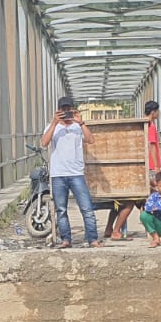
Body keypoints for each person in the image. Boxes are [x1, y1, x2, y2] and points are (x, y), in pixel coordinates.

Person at [42, 96, 100, 249]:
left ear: (73, 109)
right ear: (58, 110)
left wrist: (80, 122)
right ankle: (66, 239)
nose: (66, 112)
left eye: (69, 109)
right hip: (58, 174)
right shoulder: (52, 127)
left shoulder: (77, 127)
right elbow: (44, 143)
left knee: (86, 208)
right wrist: (55, 122)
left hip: (76, 173)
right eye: (63, 109)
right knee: (61, 210)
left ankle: (92, 239)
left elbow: (91, 140)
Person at [103, 99, 161, 242]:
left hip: (134, 169)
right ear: (154, 112)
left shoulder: (138, 124)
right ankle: (118, 231)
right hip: (145, 168)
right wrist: (156, 166)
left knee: (123, 201)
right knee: (138, 200)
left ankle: (109, 228)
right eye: (157, 111)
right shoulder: (149, 125)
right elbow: (152, 146)